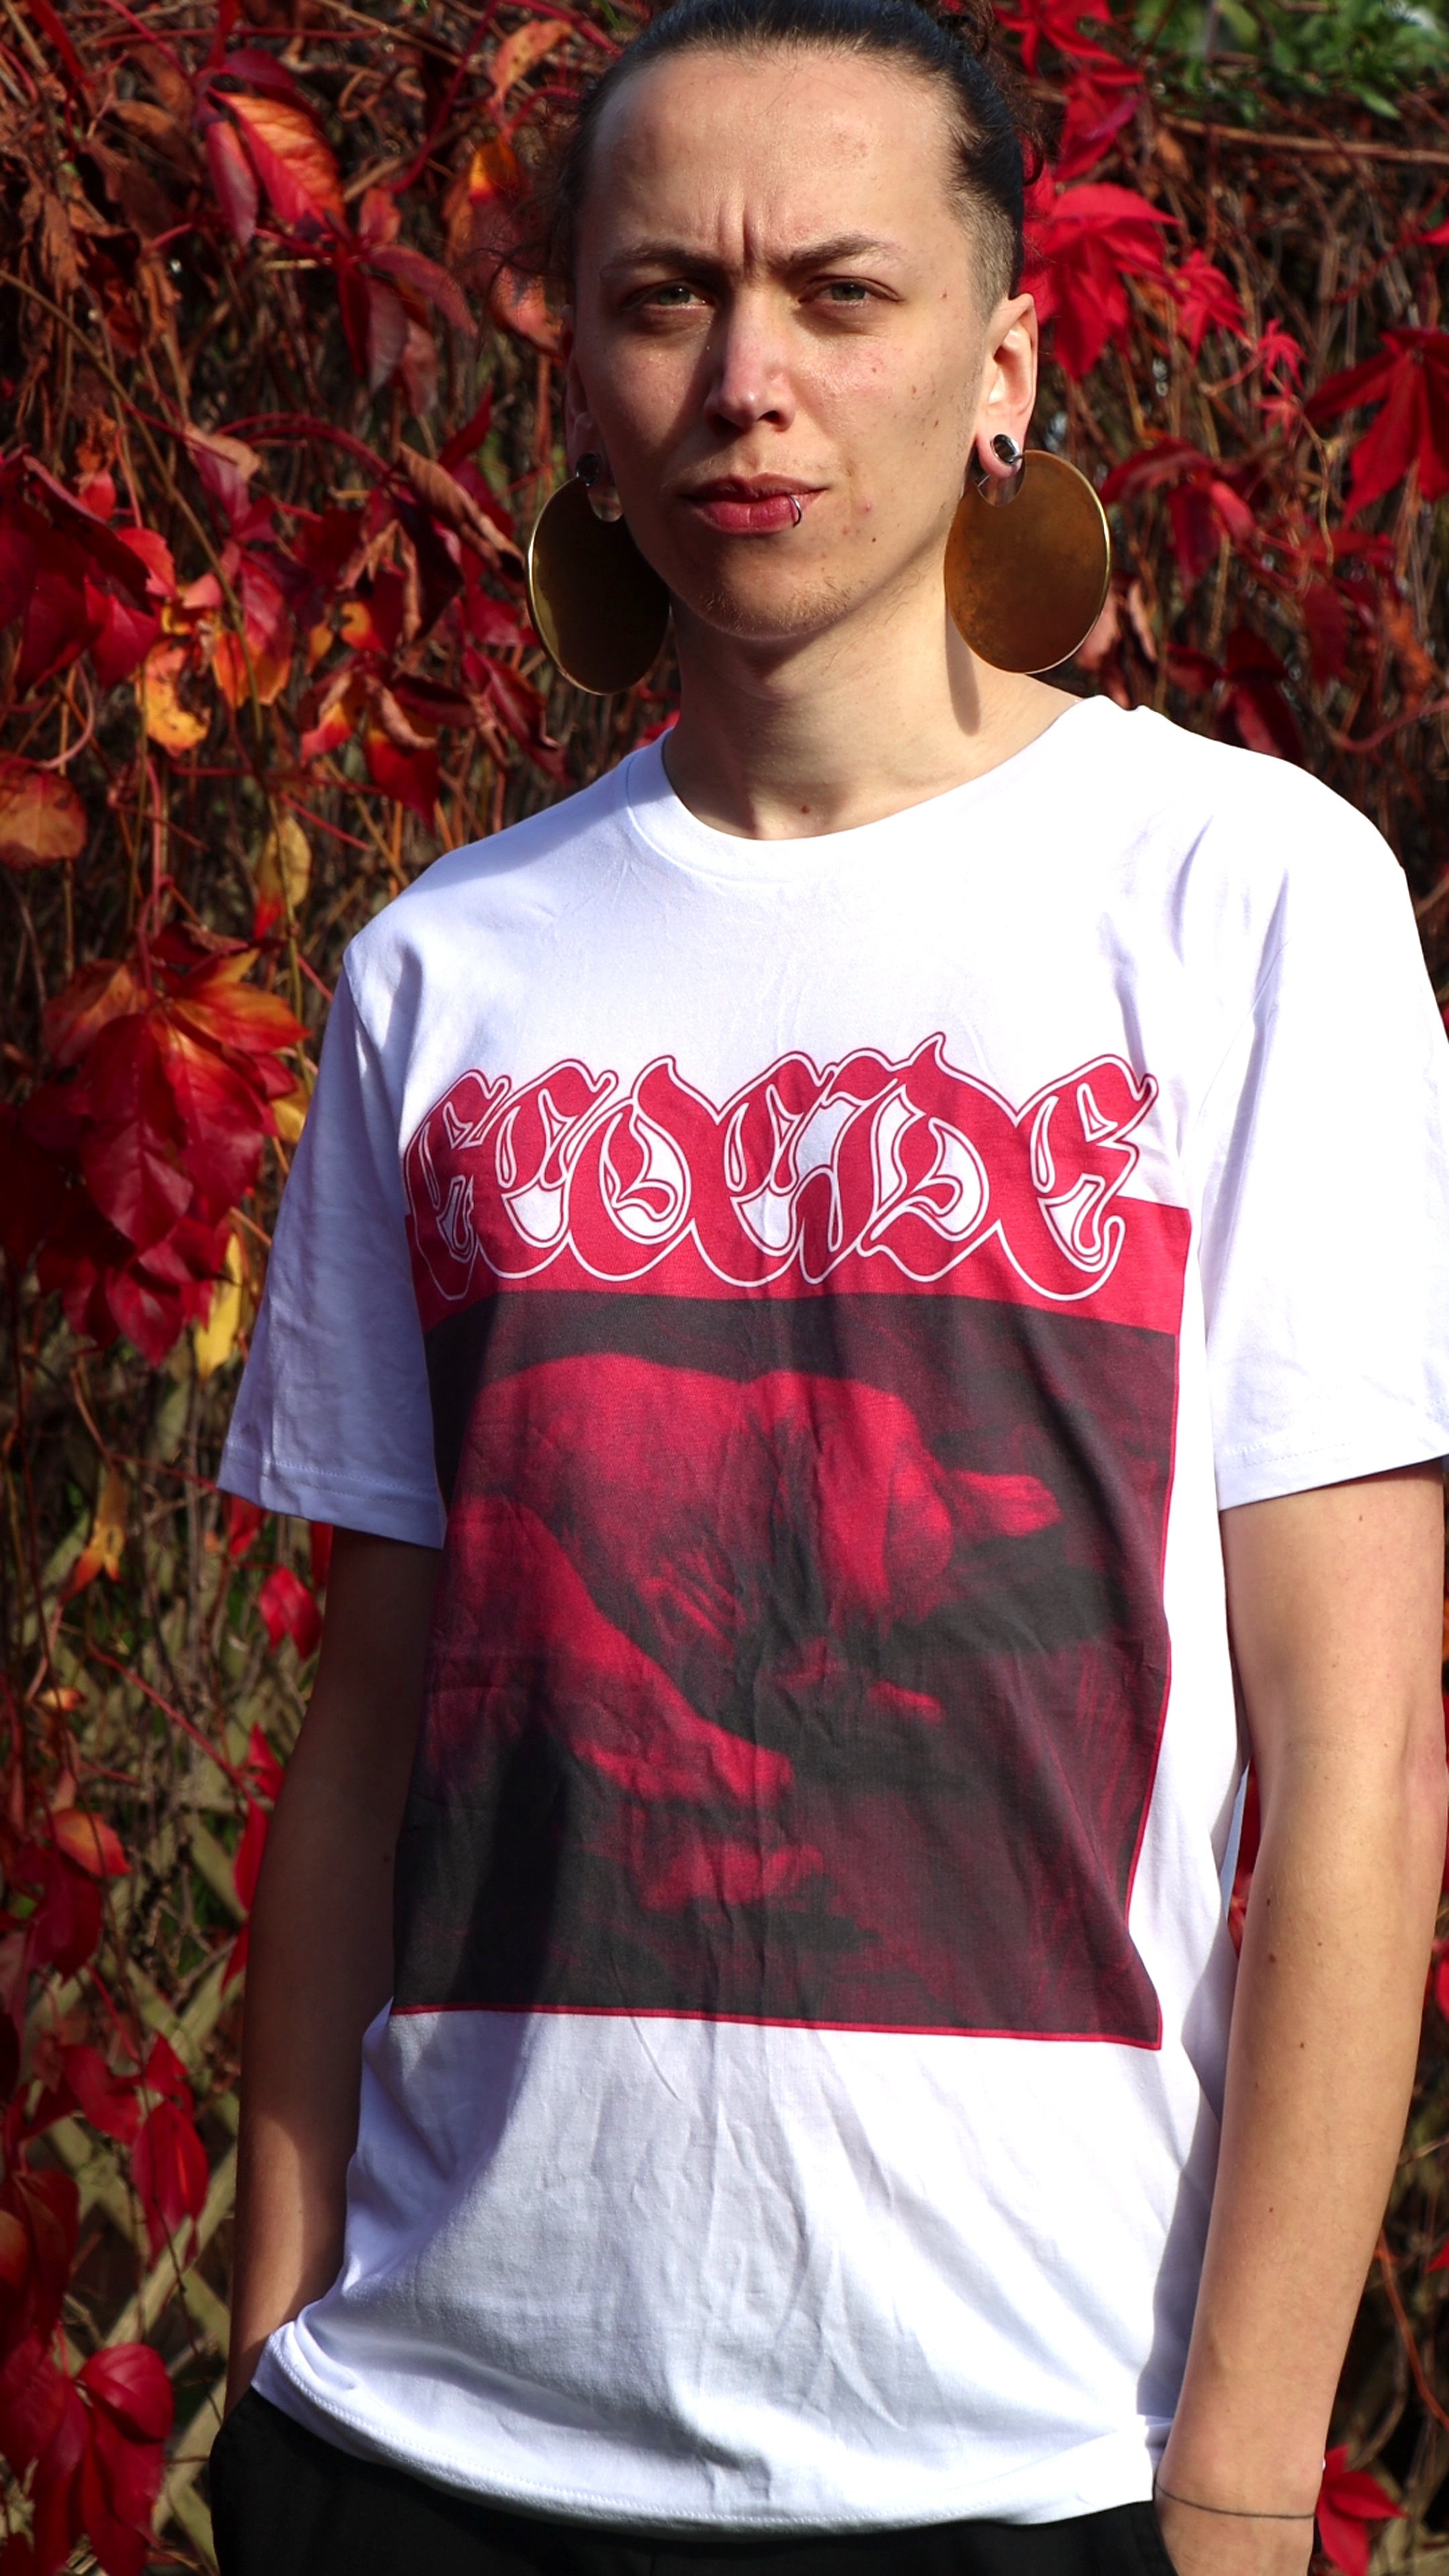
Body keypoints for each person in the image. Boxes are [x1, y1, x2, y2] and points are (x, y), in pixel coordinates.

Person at [210, 3, 1449, 2572]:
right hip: (424, 2450)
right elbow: (373, 1720)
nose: (748, 380)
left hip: (1032, 2468)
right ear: (582, 377)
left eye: (842, 293)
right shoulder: (444, 971)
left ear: (1003, 367)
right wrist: (276, 2340)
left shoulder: (1241, 900)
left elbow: (1361, 1765)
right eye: (666, 295)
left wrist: (1237, 2489)